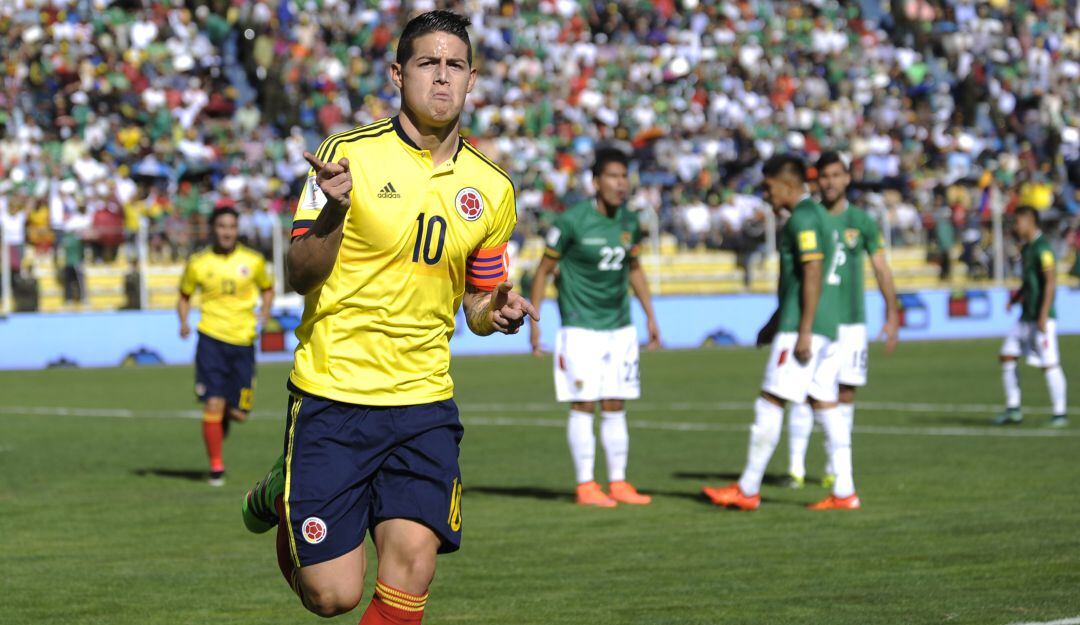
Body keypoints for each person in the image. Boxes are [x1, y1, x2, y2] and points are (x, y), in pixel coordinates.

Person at [239, 11, 538, 624]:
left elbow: (477, 305)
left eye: (455, 65)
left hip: (424, 402)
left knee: (412, 567)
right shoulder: (346, 157)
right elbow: (299, 274)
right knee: (334, 596)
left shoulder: (493, 189)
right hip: (335, 395)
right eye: (428, 63)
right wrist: (333, 214)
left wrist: (497, 312)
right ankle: (281, 489)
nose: (442, 78)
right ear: (399, 74)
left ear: (473, 79)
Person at [702, 154, 859, 511]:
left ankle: (748, 488)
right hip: (826, 324)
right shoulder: (820, 216)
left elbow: (813, 271)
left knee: (770, 400)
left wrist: (800, 330)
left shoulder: (803, 218)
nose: (766, 195)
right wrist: (774, 322)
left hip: (805, 328)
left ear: (787, 184)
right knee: (826, 404)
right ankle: (845, 491)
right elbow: (802, 279)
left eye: (769, 187)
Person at [528, 147, 661, 508]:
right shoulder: (571, 221)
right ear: (596, 181)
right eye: (614, 177)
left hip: (620, 327)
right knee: (584, 403)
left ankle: (618, 482)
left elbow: (634, 268)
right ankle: (586, 484)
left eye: (625, 177)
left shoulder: (630, 222)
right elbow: (543, 271)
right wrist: (535, 321)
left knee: (616, 403)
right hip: (580, 328)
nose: (621, 184)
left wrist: (650, 315)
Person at [785, 152, 900, 489]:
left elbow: (880, 267)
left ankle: (835, 466)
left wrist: (892, 313)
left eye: (836, 175)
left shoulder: (862, 222)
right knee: (804, 390)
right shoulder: (809, 217)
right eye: (824, 176)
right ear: (815, 181)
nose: (830, 182)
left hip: (851, 322)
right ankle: (795, 466)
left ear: (847, 178)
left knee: (845, 393)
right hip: (817, 318)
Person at [178, 207, 273, 486]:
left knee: (240, 413)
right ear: (213, 229)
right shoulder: (198, 263)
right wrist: (184, 322)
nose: (227, 231)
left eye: (231, 226)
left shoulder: (253, 261)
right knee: (213, 402)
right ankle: (216, 467)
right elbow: (184, 296)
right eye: (221, 226)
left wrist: (265, 314)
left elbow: (267, 289)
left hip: (243, 342)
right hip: (211, 340)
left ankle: (221, 424)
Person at [993, 205, 1068, 428]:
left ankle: (1060, 412)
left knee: (1050, 363)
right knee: (1007, 355)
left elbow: (1050, 282)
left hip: (1041, 317)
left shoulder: (1043, 249)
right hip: (1026, 316)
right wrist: (1015, 299)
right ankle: (1013, 408)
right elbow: (1029, 282)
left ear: (1029, 221)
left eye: (1018, 222)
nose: (1015, 226)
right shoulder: (1027, 249)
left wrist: (1044, 314)